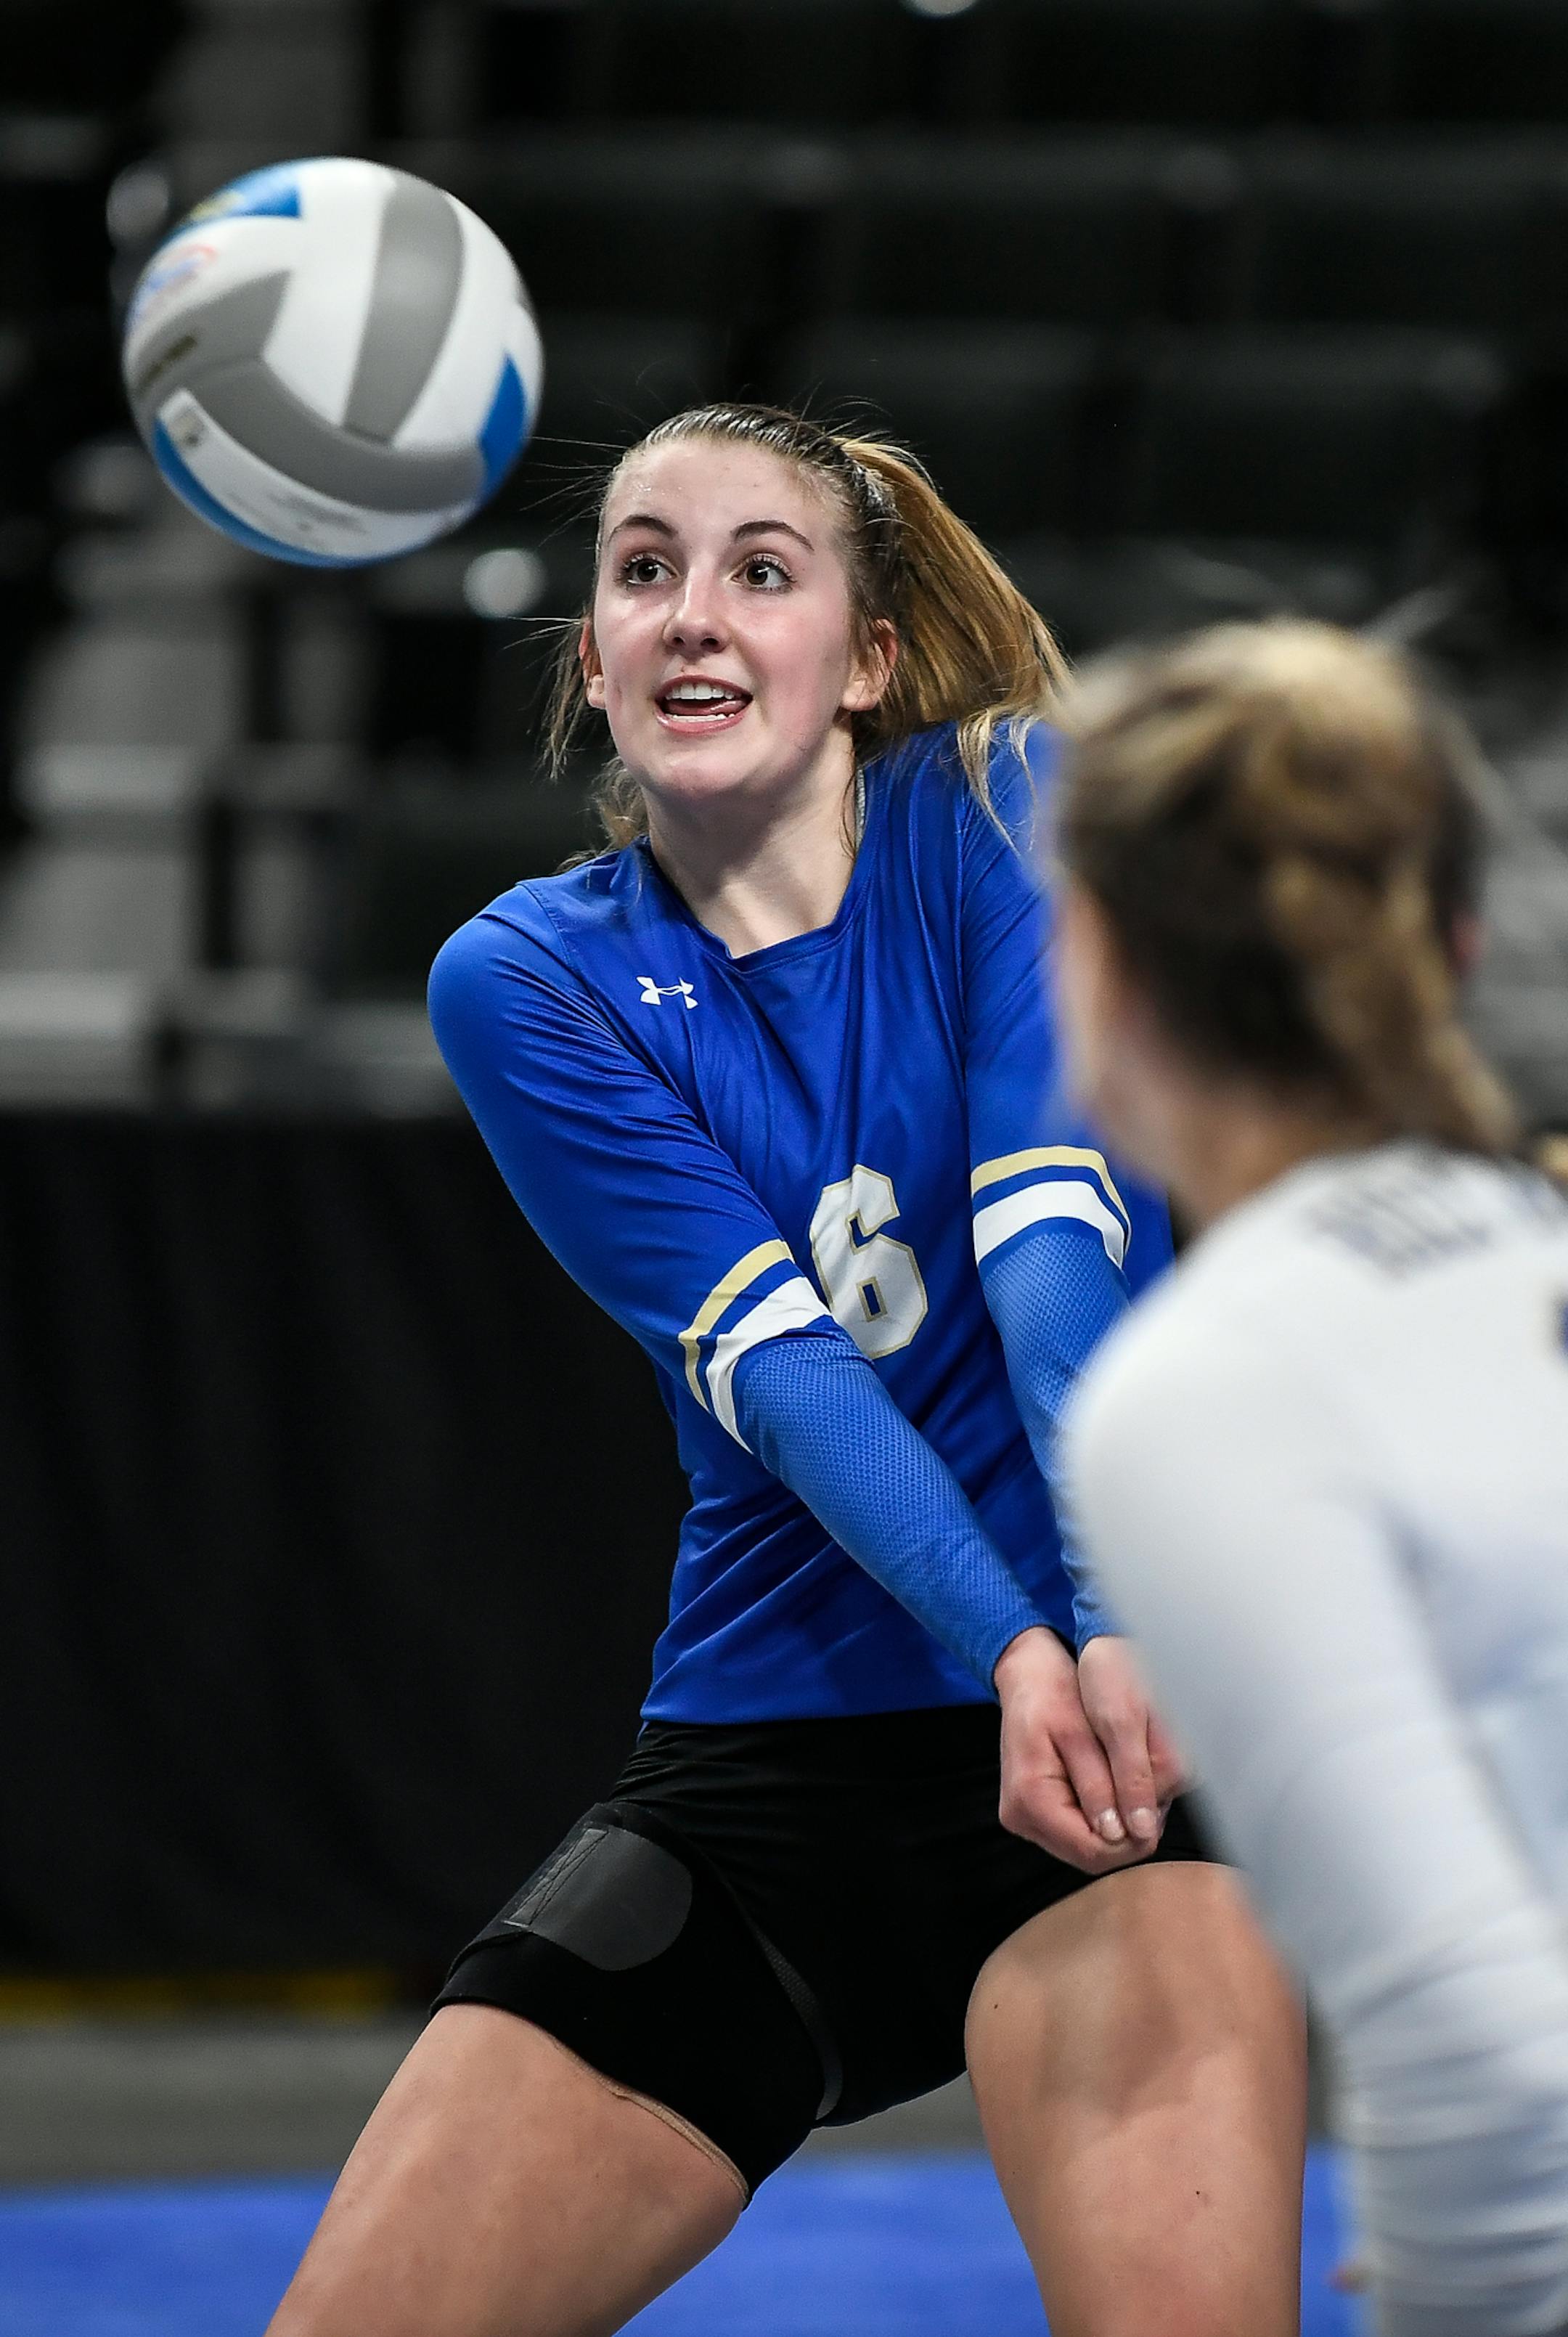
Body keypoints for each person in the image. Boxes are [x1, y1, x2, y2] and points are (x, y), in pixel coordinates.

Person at [266, 408, 1305, 2337]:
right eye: (643, 568)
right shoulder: (530, 976)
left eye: (763, 567)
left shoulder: (1011, 804)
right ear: (592, 657)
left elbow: (1052, 1251)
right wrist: (1009, 1649)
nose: (691, 612)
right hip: (778, 1768)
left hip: (1137, 1731)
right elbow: (788, 1370)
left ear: (871, 657)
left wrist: (1094, 1628)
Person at [1054, 619, 1568, 2337]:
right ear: (1455, 942)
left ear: (1100, 967)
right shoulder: (1531, 1246)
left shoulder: (1207, 1393)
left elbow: (1477, 2052)